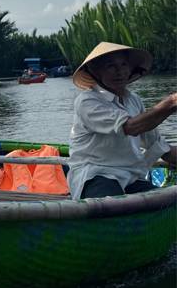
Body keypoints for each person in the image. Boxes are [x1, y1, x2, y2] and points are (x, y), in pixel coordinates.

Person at [67, 42, 176, 199]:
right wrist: (171, 103)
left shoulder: (134, 100)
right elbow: (131, 127)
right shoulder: (87, 101)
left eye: (124, 64)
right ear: (95, 71)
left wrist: (170, 105)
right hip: (95, 174)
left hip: (130, 177)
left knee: (165, 202)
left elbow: (158, 146)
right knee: (114, 207)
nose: (120, 71)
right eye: (111, 66)